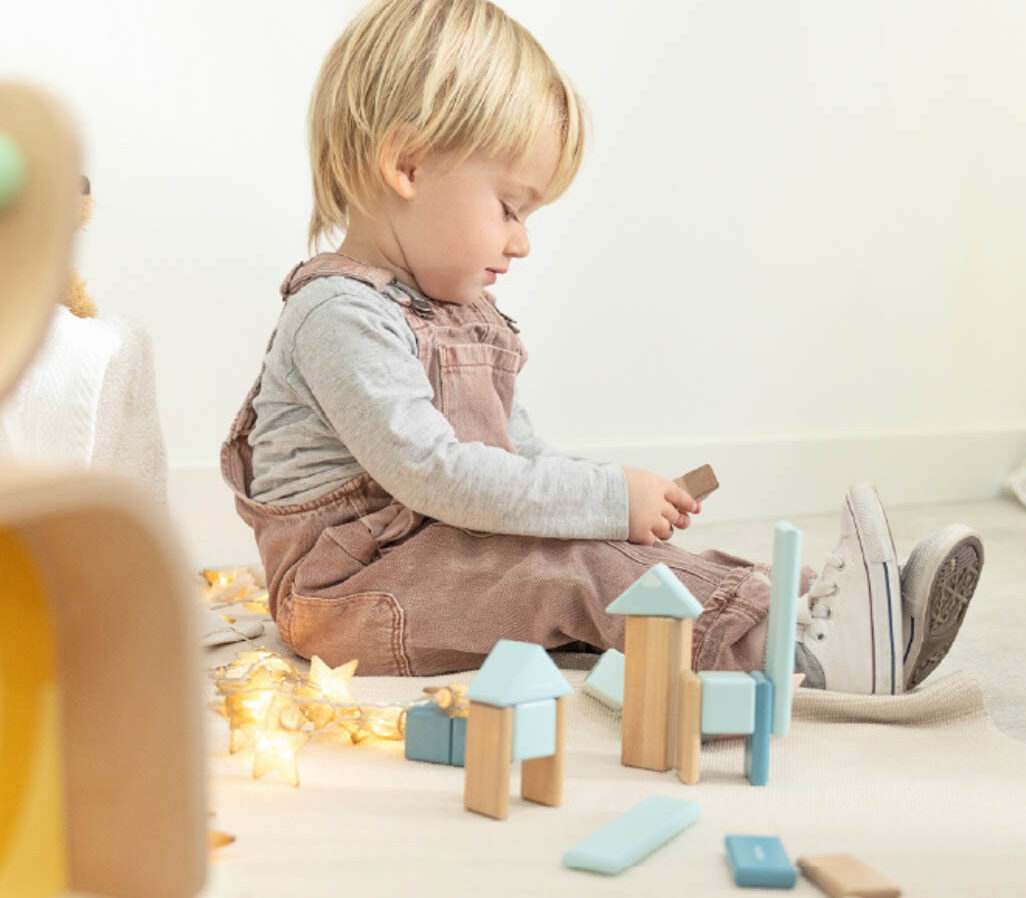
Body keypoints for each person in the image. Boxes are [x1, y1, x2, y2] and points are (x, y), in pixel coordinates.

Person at [220, 0, 984, 692]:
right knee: (577, 570)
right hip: (352, 600)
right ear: (409, 165)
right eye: (511, 208)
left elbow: (518, 462)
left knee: (600, 550)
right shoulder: (339, 315)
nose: (521, 243)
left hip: (432, 561)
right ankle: (797, 656)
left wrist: (609, 496)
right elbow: (434, 474)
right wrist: (608, 500)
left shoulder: (464, 313)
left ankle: (803, 605)